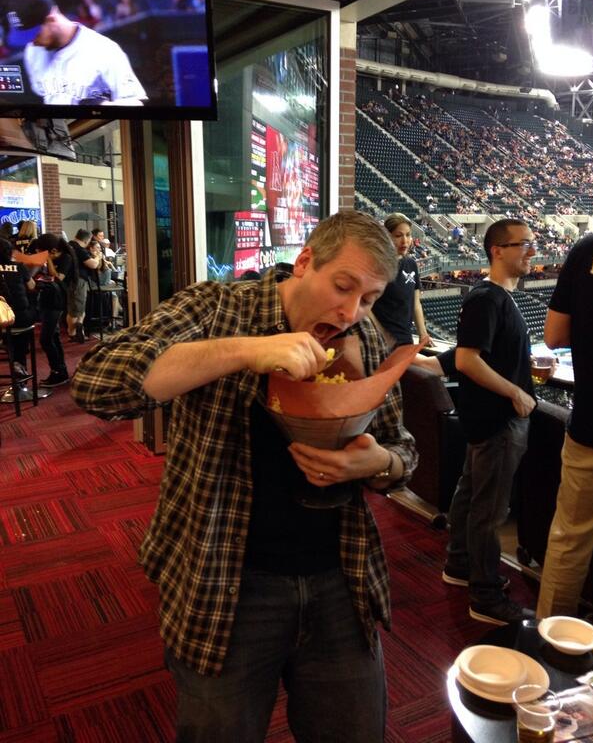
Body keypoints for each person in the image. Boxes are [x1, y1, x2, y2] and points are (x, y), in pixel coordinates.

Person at [71, 211, 419, 743]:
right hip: (226, 583)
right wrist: (246, 350)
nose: (351, 311)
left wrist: (375, 464)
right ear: (305, 263)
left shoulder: (365, 337)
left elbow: (403, 451)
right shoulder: (217, 307)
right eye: (342, 287)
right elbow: (98, 383)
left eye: (369, 298)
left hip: (340, 580)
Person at [443, 218, 537, 625]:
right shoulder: (489, 298)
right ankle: (484, 595)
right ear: (497, 250)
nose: (532, 251)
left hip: (486, 420)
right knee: (489, 508)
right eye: (524, 245)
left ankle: (460, 565)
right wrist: (516, 392)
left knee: (470, 493)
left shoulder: (493, 296)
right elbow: (467, 360)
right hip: (499, 420)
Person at [537, 233, 593, 618]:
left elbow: (554, 336)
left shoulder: (585, 249)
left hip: (592, 423)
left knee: (569, 539)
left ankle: (552, 643)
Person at [7, 0, 147, 106]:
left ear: (51, 19)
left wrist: (103, 106)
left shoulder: (105, 50)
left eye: (34, 34)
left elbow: (136, 102)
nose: (32, 42)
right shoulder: (32, 52)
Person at [371, 213, 431, 350]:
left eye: (408, 235)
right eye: (398, 236)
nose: (405, 241)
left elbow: (415, 303)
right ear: (387, 236)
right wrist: (382, 335)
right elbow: (366, 308)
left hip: (405, 339)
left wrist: (423, 334)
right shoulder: (377, 265)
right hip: (381, 344)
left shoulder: (411, 264)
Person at [35, 233, 76, 387]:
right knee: (53, 337)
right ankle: (60, 371)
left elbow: (57, 277)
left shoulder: (66, 258)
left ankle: (58, 371)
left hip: (56, 301)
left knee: (46, 339)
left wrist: (47, 261)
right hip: (46, 299)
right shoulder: (51, 257)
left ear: (51, 250)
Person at [0, 237, 35, 375]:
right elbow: (31, 286)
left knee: (8, 335)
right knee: (20, 337)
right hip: (21, 317)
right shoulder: (19, 266)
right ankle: (19, 366)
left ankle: (11, 354)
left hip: (2, 319)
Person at [67, 228, 99, 343]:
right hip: (78, 281)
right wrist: (97, 257)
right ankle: (73, 333)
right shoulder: (79, 249)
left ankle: (77, 330)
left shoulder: (69, 245)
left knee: (77, 308)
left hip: (72, 281)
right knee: (76, 309)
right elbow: (93, 265)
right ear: (87, 240)